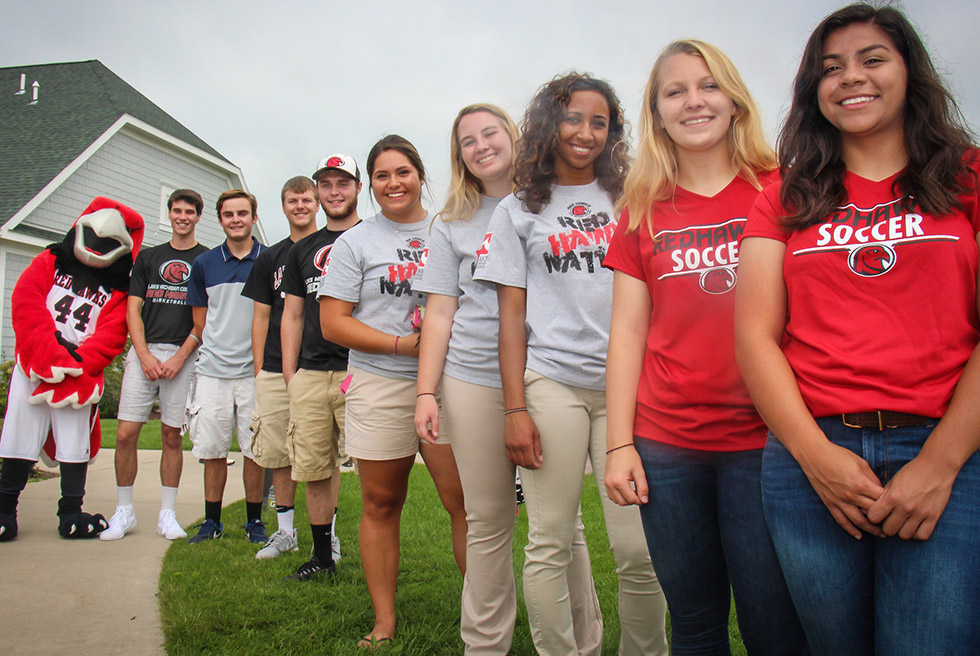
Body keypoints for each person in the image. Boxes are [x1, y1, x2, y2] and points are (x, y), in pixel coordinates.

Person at [735, 4, 980, 654]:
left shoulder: (970, 179)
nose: (851, 78)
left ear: (909, 71)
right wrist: (816, 459)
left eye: (872, 59)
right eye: (831, 68)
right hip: (812, 458)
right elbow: (755, 336)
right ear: (814, 91)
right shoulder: (784, 196)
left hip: (948, 456)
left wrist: (940, 463)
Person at [602, 41, 807, 655]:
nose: (694, 101)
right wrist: (619, 443)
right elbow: (628, 332)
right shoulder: (640, 210)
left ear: (735, 99)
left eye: (708, 85)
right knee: (694, 623)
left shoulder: (788, 190)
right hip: (669, 448)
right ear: (657, 113)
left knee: (775, 626)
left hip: (768, 443)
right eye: (675, 91)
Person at [473, 73, 667, 656]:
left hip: (628, 391)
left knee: (638, 549)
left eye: (599, 121)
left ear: (613, 132)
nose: (585, 132)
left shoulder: (635, 196)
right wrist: (514, 408)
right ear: (547, 124)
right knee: (550, 541)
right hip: (552, 384)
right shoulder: (517, 209)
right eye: (573, 118)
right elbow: (510, 317)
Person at [319, 135, 466, 648]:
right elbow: (333, 323)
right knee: (382, 502)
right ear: (370, 185)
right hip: (381, 381)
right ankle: (384, 621)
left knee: (464, 502)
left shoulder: (450, 228)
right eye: (382, 175)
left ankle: (484, 612)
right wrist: (404, 346)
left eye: (402, 172)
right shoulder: (354, 243)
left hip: (452, 382)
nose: (393, 183)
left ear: (420, 175)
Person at [100, 189, 208, 542]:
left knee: (171, 436)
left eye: (188, 211)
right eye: (176, 210)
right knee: (126, 433)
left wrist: (180, 357)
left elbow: (205, 318)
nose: (182, 216)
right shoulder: (148, 258)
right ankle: (124, 512)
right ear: (169, 214)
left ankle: (167, 515)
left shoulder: (205, 260)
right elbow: (133, 309)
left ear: (197, 216)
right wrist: (143, 354)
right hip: (144, 354)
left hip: (185, 355)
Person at [272, 156, 361, 579]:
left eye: (342, 183)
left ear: (358, 187)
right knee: (314, 467)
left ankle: (384, 552)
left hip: (360, 371)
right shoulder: (301, 249)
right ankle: (322, 556)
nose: (334, 192)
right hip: (310, 374)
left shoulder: (373, 236)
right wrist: (291, 375)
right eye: (326, 184)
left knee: (378, 466)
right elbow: (291, 314)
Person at [242, 176, 320, 559]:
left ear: (318, 203)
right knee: (279, 453)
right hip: (274, 368)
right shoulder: (270, 257)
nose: (300, 206)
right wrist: (260, 369)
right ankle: (285, 533)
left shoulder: (332, 247)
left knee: (323, 455)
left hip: (320, 366)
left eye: (307, 199)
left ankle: (328, 537)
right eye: (293, 200)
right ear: (283, 205)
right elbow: (260, 316)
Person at [185, 190, 267, 544]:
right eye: (229, 214)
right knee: (213, 450)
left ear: (253, 217)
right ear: (220, 219)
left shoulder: (270, 259)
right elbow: (201, 324)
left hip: (256, 373)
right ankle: (212, 522)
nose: (236, 219)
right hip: (213, 373)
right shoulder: (204, 264)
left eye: (243, 213)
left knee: (255, 450)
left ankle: (254, 522)